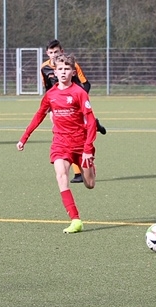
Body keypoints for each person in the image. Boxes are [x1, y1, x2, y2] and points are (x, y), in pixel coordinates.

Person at [18, 53, 97, 234]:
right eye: (60, 69)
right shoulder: (51, 95)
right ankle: (75, 219)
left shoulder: (79, 93)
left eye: (67, 69)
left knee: (90, 184)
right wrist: (24, 137)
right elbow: (39, 115)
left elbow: (91, 122)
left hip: (81, 144)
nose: (63, 72)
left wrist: (88, 149)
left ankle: (91, 167)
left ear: (73, 72)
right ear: (55, 72)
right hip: (60, 143)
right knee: (61, 175)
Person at [41, 39, 106, 183]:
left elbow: (86, 83)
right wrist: (50, 106)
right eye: (51, 52)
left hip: (75, 103)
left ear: (62, 51)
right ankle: (77, 172)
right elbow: (47, 87)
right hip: (57, 103)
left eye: (56, 52)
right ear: (47, 53)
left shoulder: (72, 65)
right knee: (63, 133)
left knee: (80, 131)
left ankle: (93, 127)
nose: (54, 55)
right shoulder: (44, 68)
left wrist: (79, 100)